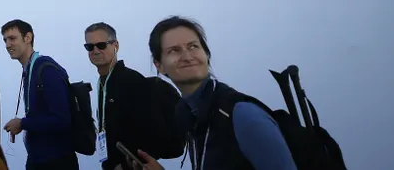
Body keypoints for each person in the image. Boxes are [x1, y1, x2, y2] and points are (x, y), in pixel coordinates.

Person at [127, 16, 297, 170]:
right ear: (159, 65)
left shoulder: (242, 115)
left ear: (206, 55)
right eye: (174, 50)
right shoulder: (192, 118)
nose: (187, 56)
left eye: (193, 46)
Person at [82, 22, 183, 170]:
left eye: (101, 45)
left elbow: (153, 131)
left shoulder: (132, 81)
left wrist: (125, 165)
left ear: (115, 45)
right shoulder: (104, 83)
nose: (95, 51)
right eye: (89, 47)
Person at [0, 19, 77, 170]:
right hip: (38, 159)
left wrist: (23, 123)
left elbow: (62, 120)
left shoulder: (46, 69)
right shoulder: (30, 70)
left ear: (28, 38)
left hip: (56, 161)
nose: (8, 45)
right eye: (5, 40)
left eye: (12, 38)